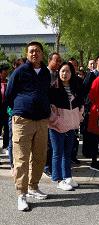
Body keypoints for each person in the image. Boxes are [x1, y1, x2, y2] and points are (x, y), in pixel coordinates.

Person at [5, 41, 51, 211]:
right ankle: (21, 194)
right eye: (31, 51)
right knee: (22, 159)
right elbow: (9, 94)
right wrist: (17, 110)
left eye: (37, 51)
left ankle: (33, 186)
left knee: (39, 157)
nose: (34, 54)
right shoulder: (20, 71)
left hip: (41, 121)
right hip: (23, 120)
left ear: (42, 54)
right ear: (26, 54)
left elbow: (47, 93)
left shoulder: (46, 72)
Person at [48, 62, 84, 191]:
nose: (65, 74)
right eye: (62, 71)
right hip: (56, 126)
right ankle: (58, 179)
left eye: (67, 71)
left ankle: (67, 177)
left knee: (67, 153)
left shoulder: (75, 87)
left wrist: (79, 116)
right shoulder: (53, 88)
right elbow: (49, 109)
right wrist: (56, 120)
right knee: (57, 153)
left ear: (71, 73)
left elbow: (80, 105)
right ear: (59, 72)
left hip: (71, 126)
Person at [44, 52, 62, 177]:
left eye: (60, 61)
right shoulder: (45, 74)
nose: (59, 63)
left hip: (55, 111)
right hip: (46, 110)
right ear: (50, 60)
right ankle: (46, 166)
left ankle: (52, 165)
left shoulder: (57, 74)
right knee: (48, 142)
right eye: (57, 60)